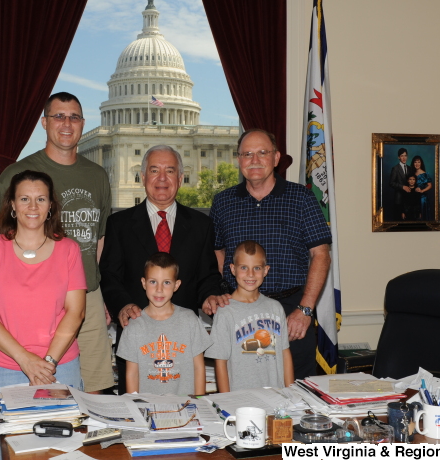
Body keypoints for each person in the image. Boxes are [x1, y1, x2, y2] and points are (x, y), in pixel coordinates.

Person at [0, 92, 113, 394]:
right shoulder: (18, 173)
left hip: (85, 299)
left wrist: (100, 292)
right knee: (25, 390)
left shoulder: (97, 175)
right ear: (44, 123)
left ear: (83, 124)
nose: (66, 124)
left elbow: (99, 239)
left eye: (73, 117)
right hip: (32, 297)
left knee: (93, 390)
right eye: (59, 116)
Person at [0, 170, 86, 460]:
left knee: (60, 449)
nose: (32, 207)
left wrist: (46, 364)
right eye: (24, 199)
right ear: (12, 205)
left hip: (58, 367)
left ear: (50, 206)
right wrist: (25, 360)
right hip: (0, 366)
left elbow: (76, 311)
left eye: (40, 199)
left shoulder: (69, 249)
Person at [99, 145, 229, 391]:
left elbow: (208, 275)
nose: (162, 178)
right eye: (154, 170)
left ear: (180, 179)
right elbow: (109, 276)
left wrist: (211, 295)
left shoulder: (202, 225)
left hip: (183, 338)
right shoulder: (119, 224)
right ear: (143, 177)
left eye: (169, 171)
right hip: (137, 334)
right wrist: (122, 305)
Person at [210, 129, 331, 380]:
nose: (254, 160)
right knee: (241, 388)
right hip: (239, 313)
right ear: (239, 159)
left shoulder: (302, 198)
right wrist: (223, 289)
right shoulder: (223, 202)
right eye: (247, 154)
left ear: (276, 158)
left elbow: (321, 255)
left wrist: (305, 310)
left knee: (296, 394)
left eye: (262, 153)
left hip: (291, 314)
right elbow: (217, 251)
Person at [116, 252, 211, 395]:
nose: (159, 289)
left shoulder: (189, 320)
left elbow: (198, 367)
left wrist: (199, 402)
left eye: (166, 282)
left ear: (176, 285)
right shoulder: (134, 325)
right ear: (143, 283)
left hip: (185, 407)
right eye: (153, 282)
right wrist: (136, 405)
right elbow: (132, 374)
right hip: (148, 408)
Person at [206, 240, 294, 392]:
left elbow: (285, 353)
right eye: (244, 267)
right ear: (233, 269)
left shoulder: (275, 308)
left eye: (257, 268)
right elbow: (220, 362)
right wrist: (227, 399)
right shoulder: (225, 312)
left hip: (277, 397)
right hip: (241, 400)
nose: (250, 274)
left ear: (266, 270)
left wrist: (291, 392)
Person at [389, 148, 414, 220]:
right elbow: (391, 183)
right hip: (399, 199)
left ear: (407, 156)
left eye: (405, 156)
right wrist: (402, 187)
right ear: (398, 157)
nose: (404, 158)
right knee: (399, 221)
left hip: (409, 199)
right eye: (402, 156)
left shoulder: (410, 168)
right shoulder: (395, 168)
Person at [411, 155, 433, 220]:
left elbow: (430, 185)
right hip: (414, 198)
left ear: (421, 163)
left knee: (422, 217)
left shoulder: (425, 174)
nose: (417, 164)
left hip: (422, 199)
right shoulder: (412, 173)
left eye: (419, 162)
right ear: (413, 163)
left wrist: (422, 191)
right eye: (415, 162)